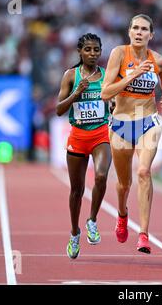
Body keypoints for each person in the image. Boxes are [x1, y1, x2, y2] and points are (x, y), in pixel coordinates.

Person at [101, 14, 162, 254]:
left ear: (151, 35)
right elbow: (105, 93)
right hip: (121, 124)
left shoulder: (159, 61)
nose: (139, 32)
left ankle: (143, 233)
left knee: (143, 171)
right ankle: (122, 215)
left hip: (148, 122)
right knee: (123, 184)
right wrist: (133, 75)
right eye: (135, 28)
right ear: (129, 32)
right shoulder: (119, 54)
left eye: (144, 29)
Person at [56, 33, 112, 259]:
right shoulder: (71, 75)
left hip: (101, 134)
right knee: (77, 191)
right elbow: (59, 109)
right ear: (80, 52)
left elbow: (116, 101)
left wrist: (115, 104)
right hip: (78, 136)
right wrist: (76, 94)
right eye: (88, 50)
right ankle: (74, 232)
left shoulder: (107, 76)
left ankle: (92, 220)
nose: (93, 54)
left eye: (96, 50)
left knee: (100, 177)